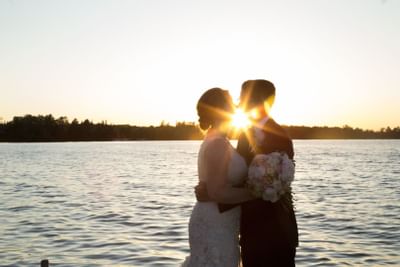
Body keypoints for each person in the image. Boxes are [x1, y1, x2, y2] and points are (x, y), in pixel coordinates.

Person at [196, 79, 299, 267]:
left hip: (276, 232)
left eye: (242, 97)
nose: (238, 102)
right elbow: (237, 175)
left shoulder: (280, 137)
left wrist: (212, 193)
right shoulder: (244, 134)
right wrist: (211, 188)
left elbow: (276, 185)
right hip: (248, 230)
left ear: (256, 100)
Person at [182, 88, 255, 267]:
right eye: (231, 105)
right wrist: (256, 193)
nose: (236, 107)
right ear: (218, 112)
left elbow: (214, 187)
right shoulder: (218, 144)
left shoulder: (217, 140)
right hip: (214, 225)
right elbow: (217, 192)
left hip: (221, 223)